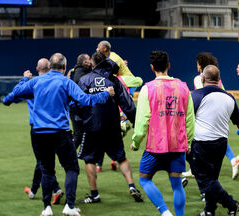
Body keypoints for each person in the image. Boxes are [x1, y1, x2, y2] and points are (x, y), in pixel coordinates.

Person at [3, 53, 115, 216]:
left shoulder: (36, 81)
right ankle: (69, 206)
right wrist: (105, 93)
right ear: (64, 67)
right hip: (60, 133)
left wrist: (7, 100)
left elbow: (17, 93)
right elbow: (85, 100)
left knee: (47, 170)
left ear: (49, 66)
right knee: (71, 168)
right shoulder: (66, 82)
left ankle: (46, 208)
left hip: (39, 133)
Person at [131, 51, 195, 216]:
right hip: (177, 145)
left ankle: (165, 212)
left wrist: (136, 142)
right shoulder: (183, 87)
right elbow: (190, 119)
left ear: (152, 67)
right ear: (169, 65)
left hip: (155, 147)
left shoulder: (147, 89)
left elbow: (142, 121)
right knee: (177, 184)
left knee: (144, 179)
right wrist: (188, 142)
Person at [76, 51, 143, 204]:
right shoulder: (114, 80)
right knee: (121, 157)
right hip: (112, 125)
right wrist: (134, 122)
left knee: (90, 160)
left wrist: (80, 123)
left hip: (92, 126)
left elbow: (80, 103)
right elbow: (127, 104)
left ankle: (94, 194)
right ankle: (132, 187)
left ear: (93, 64)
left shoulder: (85, 80)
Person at [191, 65, 239, 216]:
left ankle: (231, 204)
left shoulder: (196, 95)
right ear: (219, 80)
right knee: (212, 179)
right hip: (221, 145)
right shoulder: (229, 97)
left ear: (203, 78)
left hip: (202, 143)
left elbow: (185, 119)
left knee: (205, 180)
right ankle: (209, 210)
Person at [20, 59, 64, 204]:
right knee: (43, 160)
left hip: (38, 128)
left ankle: (54, 189)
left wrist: (25, 78)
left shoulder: (32, 85)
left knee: (42, 160)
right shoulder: (52, 84)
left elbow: (17, 92)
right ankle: (34, 190)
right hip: (54, 126)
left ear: (37, 68)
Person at [96, 40, 143, 171]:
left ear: (105, 49)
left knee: (105, 132)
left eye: (99, 47)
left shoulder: (113, 61)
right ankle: (124, 124)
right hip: (122, 90)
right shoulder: (110, 58)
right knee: (116, 131)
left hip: (122, 87)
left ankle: (101, 163)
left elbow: (108, 75)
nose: (97, 48)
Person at [68, 54, 92, 149]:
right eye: (89, 59)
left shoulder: (79, 71)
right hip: (77, 109)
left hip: (77, 108)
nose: (91, 61)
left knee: (81, 134)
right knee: (78, 134)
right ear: (85, 63)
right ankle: (68, 157)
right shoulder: (81, 76)